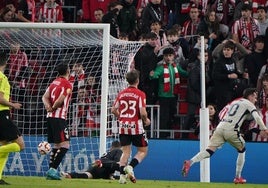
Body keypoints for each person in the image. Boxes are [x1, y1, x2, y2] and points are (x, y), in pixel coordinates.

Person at [181, 88, 268, 184]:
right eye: (254, 97)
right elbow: (257, 117)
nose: (255, 100)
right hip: (231, 130)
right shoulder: (248, 103)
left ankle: (190, 162)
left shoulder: (235, 102)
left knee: (209, 151)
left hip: (220, 127)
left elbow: (222, 113)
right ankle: (237, 177)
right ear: (250, 96)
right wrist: (264, 128)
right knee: (242, 150)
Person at [111, 69, 150, 184]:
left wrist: (121, 118)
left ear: (127, 81)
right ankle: (131, 167)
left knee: (125, 152)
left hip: (123, 126)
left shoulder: (121, 93)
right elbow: (142, 113)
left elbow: (113, 110)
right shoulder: (140, 94)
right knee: (143, 151)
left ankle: (122, 178)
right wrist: (146, 120)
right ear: (137, 80)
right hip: (136, 127)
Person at [42, 63, 72, 180]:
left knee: (56, 145)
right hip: (59, 118)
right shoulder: (67, 84)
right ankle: (53, 169)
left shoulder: (54, 82)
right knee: (65, 145)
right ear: (68, 71)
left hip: (49, 117)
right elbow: (61, 99)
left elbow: (44, 97)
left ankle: (51, 171)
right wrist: (53, 107)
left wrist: (48, 107)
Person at [150, 47, 188, 138]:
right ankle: (163, 136)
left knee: (171, 116)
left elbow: (184, 73)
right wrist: (152, 75)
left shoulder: (176, 67)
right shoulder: (160, 68)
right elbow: (155, 75)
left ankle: (168, 134)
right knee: (164, 117)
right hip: (163, 96)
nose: (168, 58)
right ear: (163, 57)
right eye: (166, 56)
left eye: (170, 55)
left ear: (173, 56)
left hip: (173, 96)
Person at [0, 52, 25, 185]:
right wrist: (12, 105)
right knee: (20, 145)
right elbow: (0, 98)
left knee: (5, 146)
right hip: (2, 114)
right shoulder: (2, 77)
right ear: (5, 63)